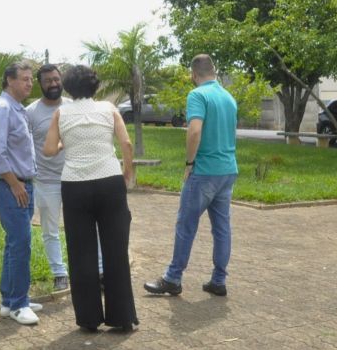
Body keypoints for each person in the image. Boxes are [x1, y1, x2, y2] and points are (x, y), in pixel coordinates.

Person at [44, 64, 138, 332]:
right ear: (95, 85)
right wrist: (127, 171)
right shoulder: (109, 109)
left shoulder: (61, 114)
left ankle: (88, 319)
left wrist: (64, 143)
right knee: (115, 250)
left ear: (68, 87)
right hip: (109, 181)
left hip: (75, 186)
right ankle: (122, 318)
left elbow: (49, 149)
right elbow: (126, 143)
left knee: (81, 252)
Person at [144, 54, 238, 297]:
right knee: (222, 228)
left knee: (186, 224)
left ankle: (173, 278)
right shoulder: (229, 98)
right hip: (228, 170)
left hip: (204, 171)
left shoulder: (197, 95)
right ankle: (218, 280)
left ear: (194, 75)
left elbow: (194, 131)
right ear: (214, 71)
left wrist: (189, 162)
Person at [0, 60, 42, 326]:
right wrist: (14, 183)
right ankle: (19, 304)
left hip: (22, 183)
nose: (30, 84)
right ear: (10, 80)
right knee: (21, 242)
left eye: (31, 79)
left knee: (15, 241)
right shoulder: (2, 108)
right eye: (25, 79)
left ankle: (9, 301)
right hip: (9, 184)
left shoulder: (17, 108)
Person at [24, 64, 70, 291]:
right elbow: (25, 146)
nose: (53, 84)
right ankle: (59, 273)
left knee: (82, 227)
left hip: (74, 177)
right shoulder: (31, 112)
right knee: (50, 230)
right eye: (48, 81)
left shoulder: (72, 107)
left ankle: (97, 270)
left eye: (56, 79)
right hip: (45, 180)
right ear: (40, 84)